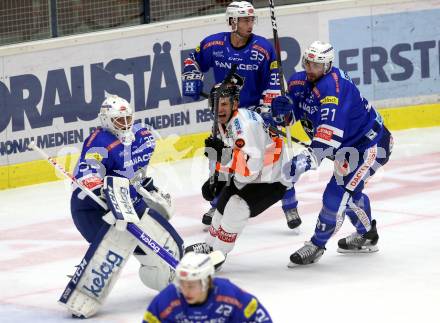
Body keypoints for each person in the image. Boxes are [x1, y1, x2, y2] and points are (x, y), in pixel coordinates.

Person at [59, 95, 184, 318]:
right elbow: (87, 174)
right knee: (112, 249)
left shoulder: (142, 136)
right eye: (119, 120)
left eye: (128, 118)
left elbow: (134, 175)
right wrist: (101, 190)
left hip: (129, 206)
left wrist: (149, 189)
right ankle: (85, 285)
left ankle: (162, 271)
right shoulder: (99, 141)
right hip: (92, 210)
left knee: (164, 274)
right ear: (106, 120)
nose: (125, 124)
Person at [271, 41, 394, 266]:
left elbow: (327, 142)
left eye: (316, 65)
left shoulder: (334, 89)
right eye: (308, 63)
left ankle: (316, 245)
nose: (310, 69)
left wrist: (304, 160)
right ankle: (367, 235)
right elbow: (291, 118)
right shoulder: (298, 81)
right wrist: (283, 110)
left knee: (334, 197)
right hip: (346, 151)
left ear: (327, 66)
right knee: (350, 194)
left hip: (370, 147)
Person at [182, 0, 301, 230]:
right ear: (232, 21)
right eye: (245, 20)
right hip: (224, 113)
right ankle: (217, 203)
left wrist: (269, 109)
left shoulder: (262, 48)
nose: (250, 24)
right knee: (220, 157)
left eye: (251, 19)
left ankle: (289, 203)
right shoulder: (214, 44)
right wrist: (191, 77)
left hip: (254, 114)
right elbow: (192, 60)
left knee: (273, 160)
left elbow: (274, 80)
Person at [185, 75, 292, 266]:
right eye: (216, 104)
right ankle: (210, 245)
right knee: (223, 203)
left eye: (225, 104)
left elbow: (250, 169)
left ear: (235, 104)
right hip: (252, 175)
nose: (220, 109)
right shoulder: (221, 123)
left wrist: (224, 158)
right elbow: (225, 156)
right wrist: (217, 178)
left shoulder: (244, 126)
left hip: (272, 180)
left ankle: (218, 255)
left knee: (236, 208)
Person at [143, 252, 272, 322]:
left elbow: (259, 316)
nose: (185, 290)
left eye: (191, 286)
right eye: (182, 284)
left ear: (206, 282)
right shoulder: (167, 299)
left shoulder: (228, 294)